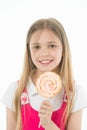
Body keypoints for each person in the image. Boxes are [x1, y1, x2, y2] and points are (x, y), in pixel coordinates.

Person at [1, 18, 87, 130]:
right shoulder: (16, 90)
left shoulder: (74, 93)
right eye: (36, 47)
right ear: (29, 51)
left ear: (63, 49)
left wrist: (48, 124)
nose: (44, 53)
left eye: (52, 46)